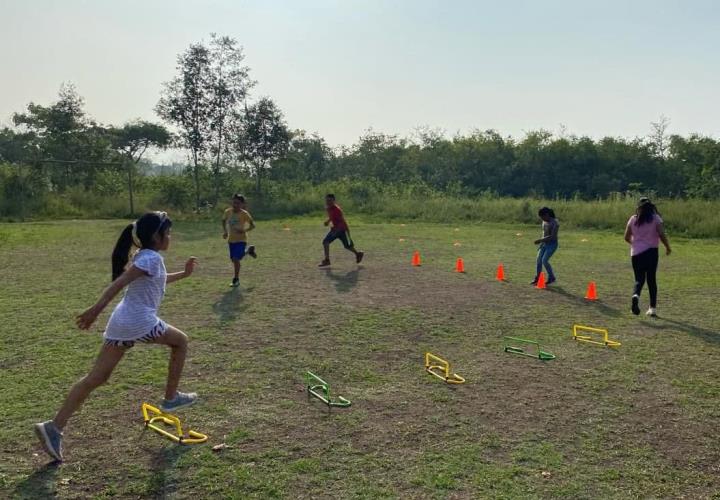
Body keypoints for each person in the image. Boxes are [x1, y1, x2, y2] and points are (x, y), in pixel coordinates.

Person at [34, 211, 199, 462]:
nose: (171, 236)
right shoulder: (151, 258)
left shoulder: (147, 256)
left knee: (97, 377)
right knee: (181, 341)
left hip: (123, 322)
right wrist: (95, 310)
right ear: (157, 236)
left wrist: (184, 275)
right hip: (137, 320)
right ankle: (170, 398)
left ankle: (53, 427)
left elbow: (157, 280)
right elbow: (121, 282)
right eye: (168, 233)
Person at [624, 197, 671, 317]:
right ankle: (652, 308)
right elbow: (661, 234)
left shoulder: (633, 219)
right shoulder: (655, 218)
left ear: (638, 207)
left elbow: (626, 237)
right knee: (651, 279)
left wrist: (635, 244)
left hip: (636, 254)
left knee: (639, 279)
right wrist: (667, 247)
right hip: (651, 252)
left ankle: (636, 295)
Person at [318, 194, 364, 267]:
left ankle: (358, 254)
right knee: (326, 242)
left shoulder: (337, 209)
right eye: (327, 200)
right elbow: (332, 216)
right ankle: (327, 260)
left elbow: (341, 221)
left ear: (334, 201)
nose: (328, 202)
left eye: (330, 200)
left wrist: (336, 231)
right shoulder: (328, 208)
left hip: (342, 230)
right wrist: (328, 221)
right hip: (336, 229)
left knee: (347, 246)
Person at [222, 194, 257, 287]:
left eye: (238, 203)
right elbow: (223, 221)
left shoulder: (244, 214)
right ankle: (249, 251)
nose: (235, 205)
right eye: (234, 202)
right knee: (235, 260)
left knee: (236, 259)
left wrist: (243, 230)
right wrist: (225, 231)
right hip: (231, 240)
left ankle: (236, 280)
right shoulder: (228, 212)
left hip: (241, 240)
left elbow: (253, 226)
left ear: (242, 204)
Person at [532, 207, 559, 285]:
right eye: (541, 218)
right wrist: (541, 243)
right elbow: (544, 233)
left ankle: (551, 277)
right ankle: (538, 278)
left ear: (547, 214)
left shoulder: (555, 223)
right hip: (544, 244)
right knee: (538, 260)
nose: (542, 219)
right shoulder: (544, 222)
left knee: (544, 260)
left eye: (543, 217)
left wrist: (540, 240)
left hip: (552, 244)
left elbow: (553, 236)